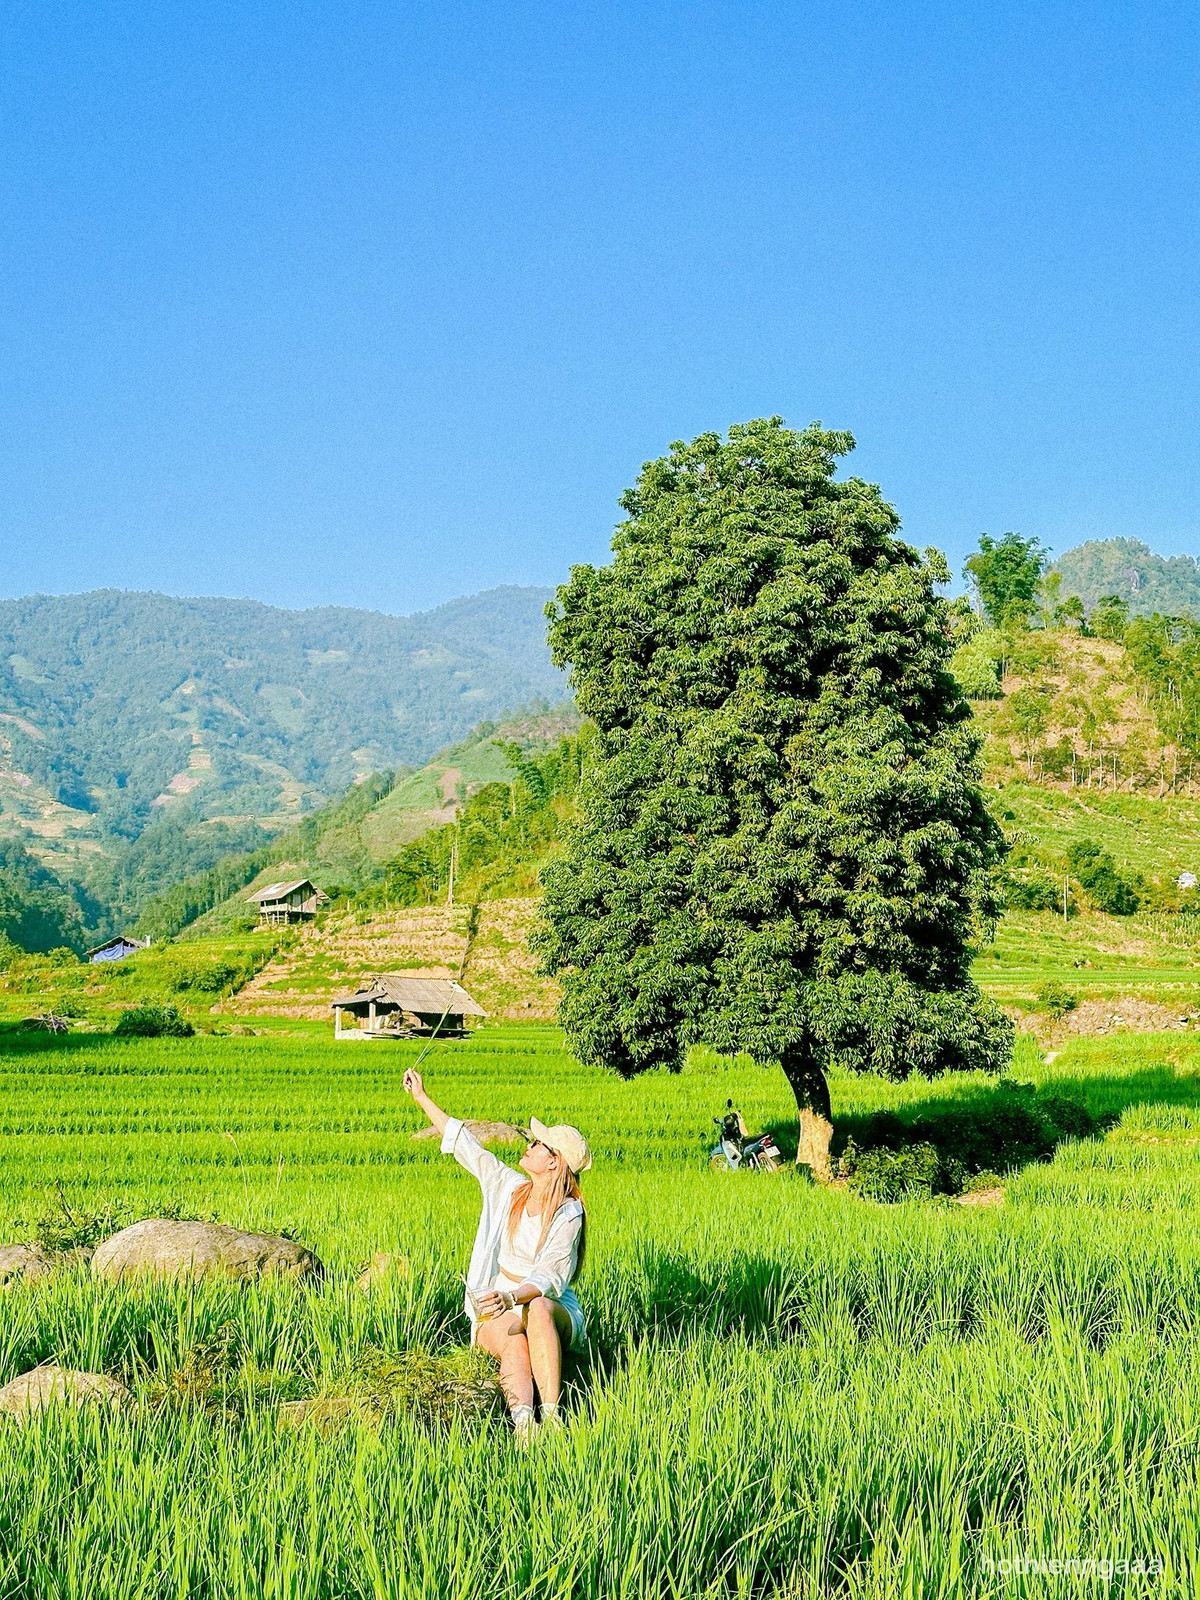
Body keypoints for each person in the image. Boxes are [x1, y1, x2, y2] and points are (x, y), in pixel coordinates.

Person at [402, 1067, 590, 1442]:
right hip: (497, 1299)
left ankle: (551, 1419)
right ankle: (524, 1425)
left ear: (554, 1162)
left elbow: (550, 1279)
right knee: (513, 1340)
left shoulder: (570, 1211)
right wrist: (422, 1097)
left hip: (548, 1304)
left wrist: (510, 1297)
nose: (530, 1145)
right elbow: (467, 1146)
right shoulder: (510, 1187)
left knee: (536, 1310)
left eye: (539, 1144)